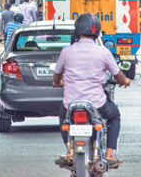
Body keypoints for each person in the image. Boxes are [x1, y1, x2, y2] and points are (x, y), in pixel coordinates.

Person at [52, 13, 131, 168]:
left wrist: (58, 83)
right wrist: (125, 81)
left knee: (63, 118)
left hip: (71, 103)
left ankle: (69, 150)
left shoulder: (66, 51)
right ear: (97, 32)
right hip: (97, 103)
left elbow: (56, 77)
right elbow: (118, 75)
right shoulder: (103, 52)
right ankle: (109, 153)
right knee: (114, 116)